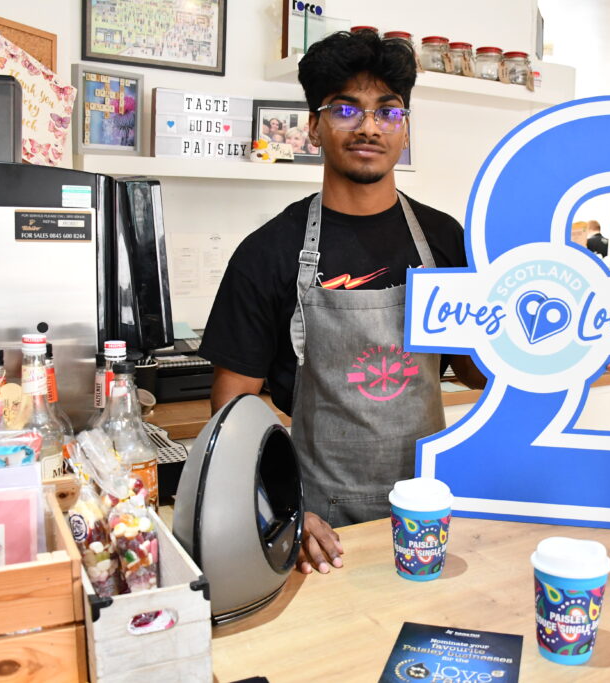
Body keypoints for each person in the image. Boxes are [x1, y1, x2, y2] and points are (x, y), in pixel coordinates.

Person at [198, 30, 484, 575]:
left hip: (431, 506)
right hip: (322, 529)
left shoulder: (445, 240)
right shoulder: (270, 251)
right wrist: (286, 505)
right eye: (347, 109)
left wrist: (562, 358)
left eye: (389, 112)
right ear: (314, 125)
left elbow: (472, 369)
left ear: (405, 128)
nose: (370, 127)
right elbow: (233, 406)